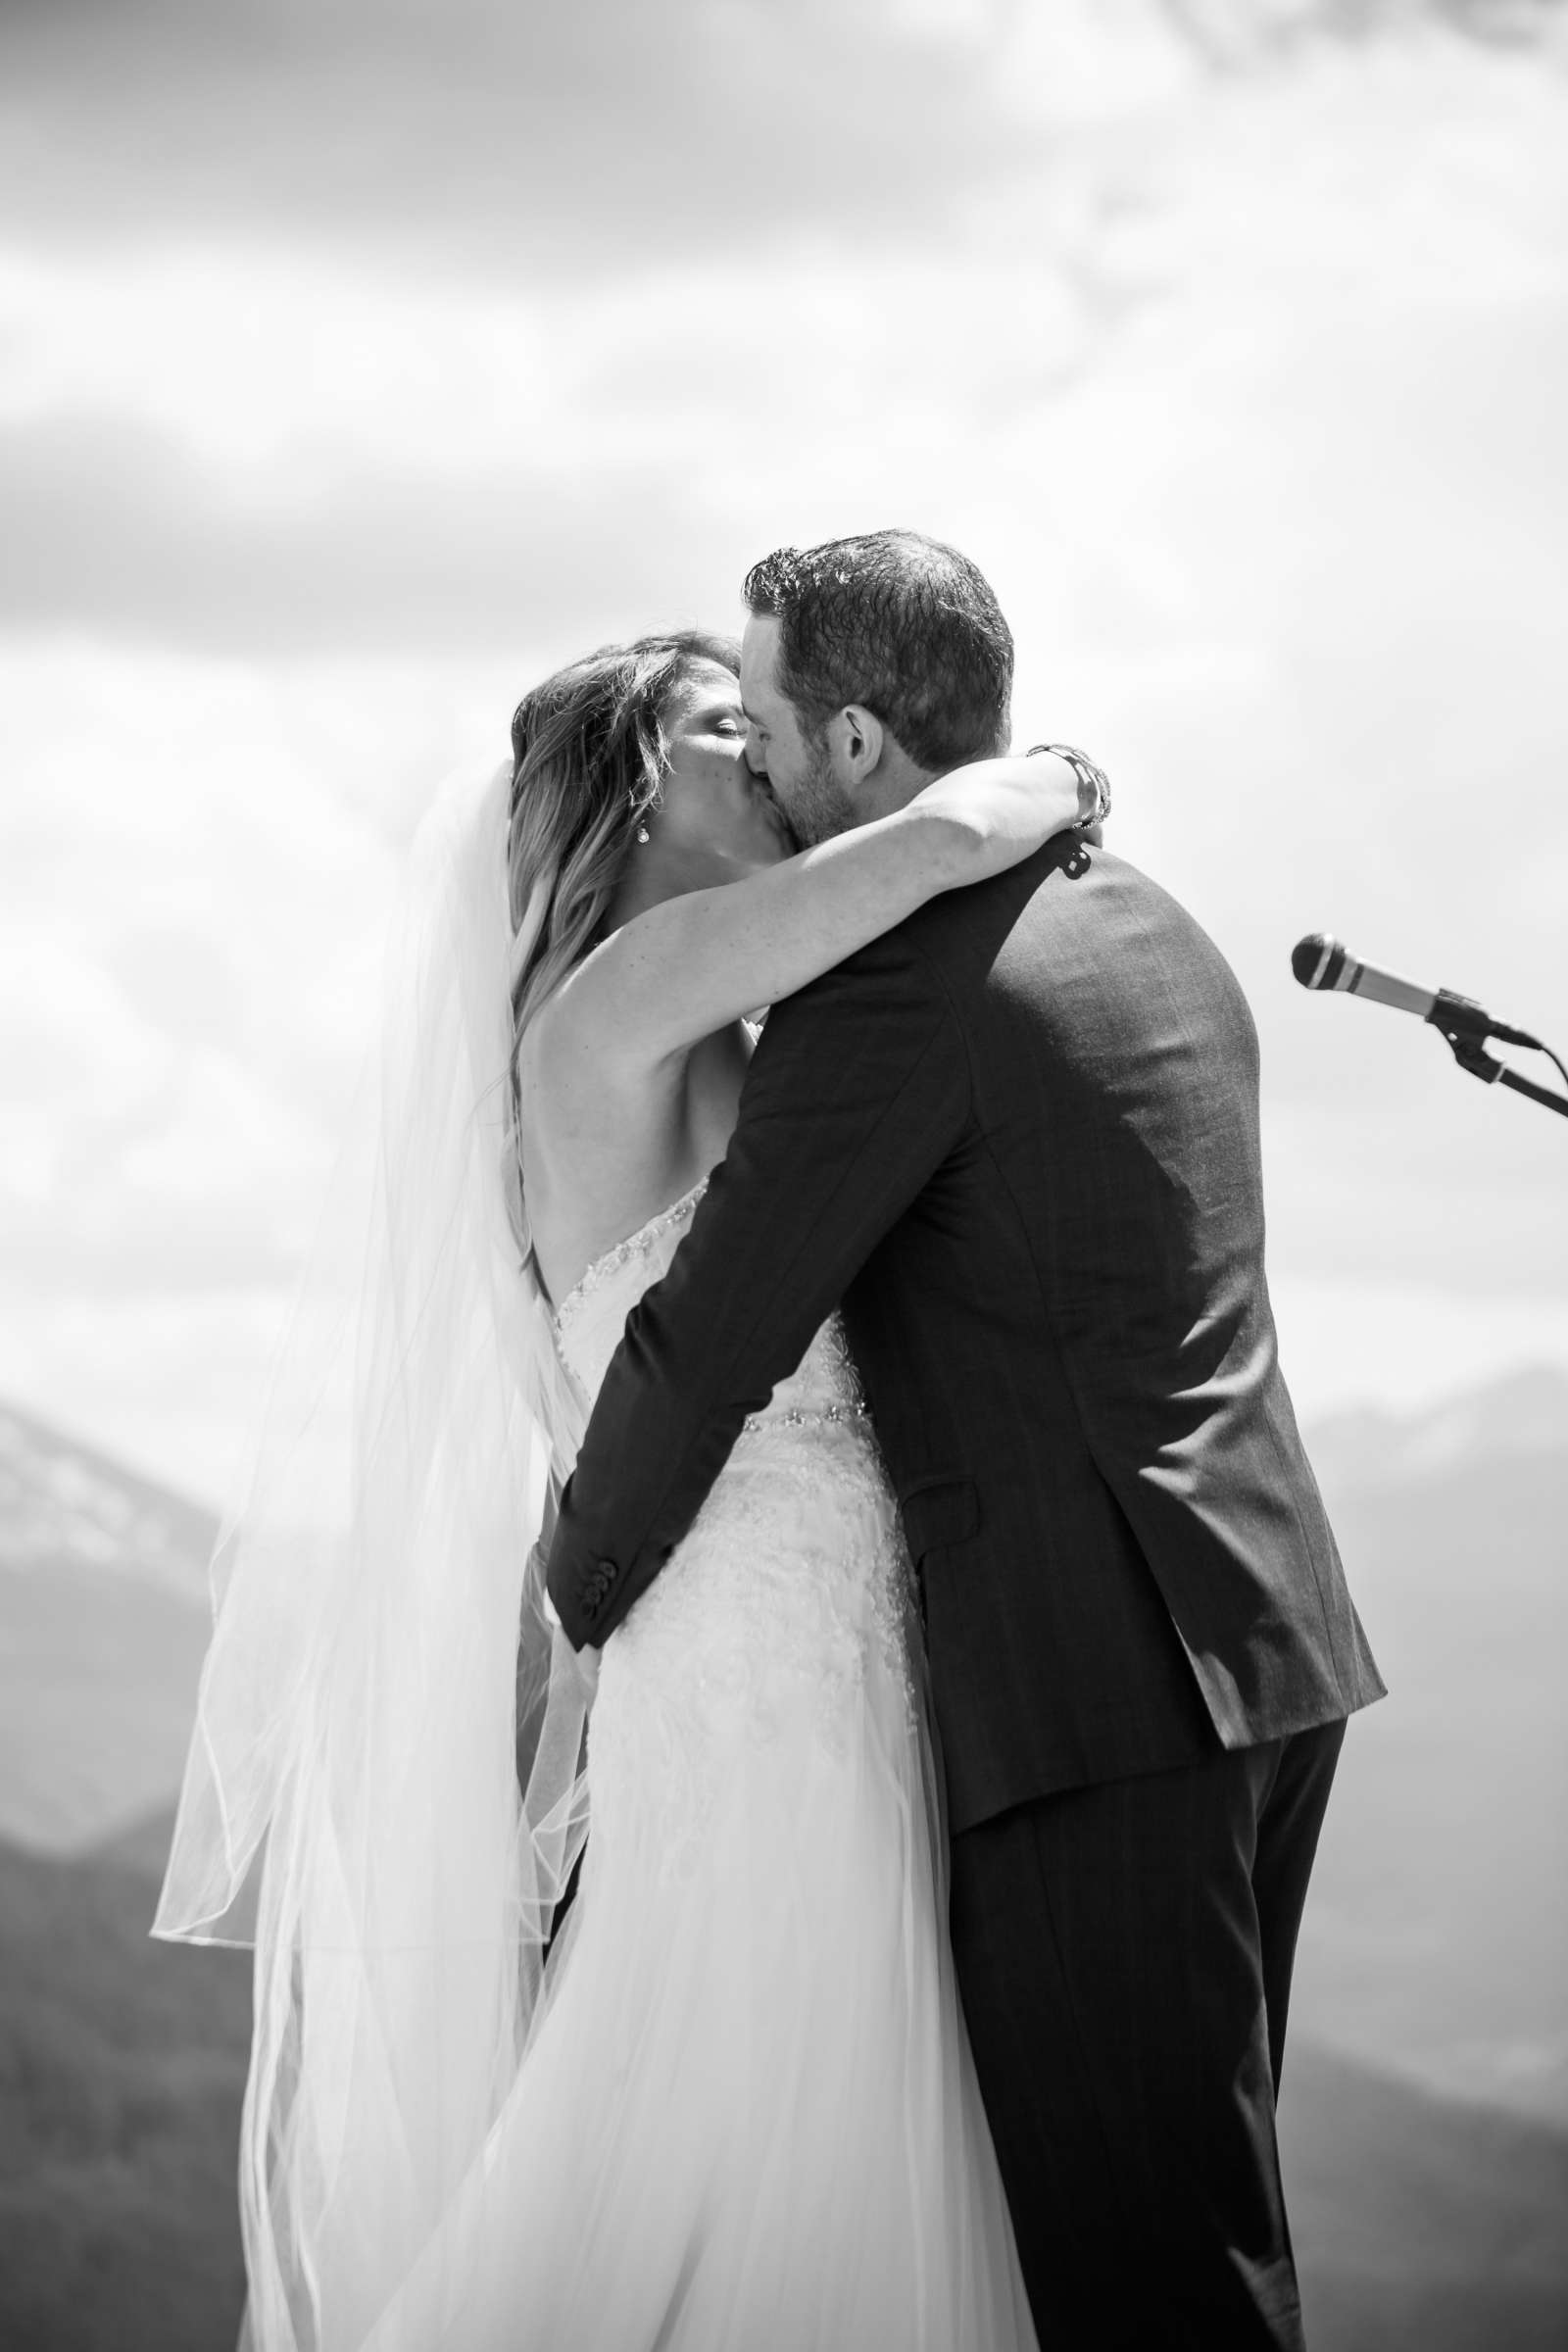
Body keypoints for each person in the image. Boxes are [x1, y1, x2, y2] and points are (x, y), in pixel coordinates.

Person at [155, 616, 1101, 2350]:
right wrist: (1047, 784)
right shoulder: (606, 1013)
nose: (765, 749)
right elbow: (948, 845)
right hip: (763, 1696)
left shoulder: (716, 1031)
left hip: (837, 1667)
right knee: (759, 2135)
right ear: (625, 798)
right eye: (718, 730)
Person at [547, 531, 1388, 2351]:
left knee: (1152, 2290)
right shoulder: (1143, 917)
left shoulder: (892, 993)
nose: (758, 761)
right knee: (1211, 2230)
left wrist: (577, 1591)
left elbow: (714, 1342)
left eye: (767, 722)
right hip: (1274, 1655)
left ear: (852, 747)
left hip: (1096, 1700)